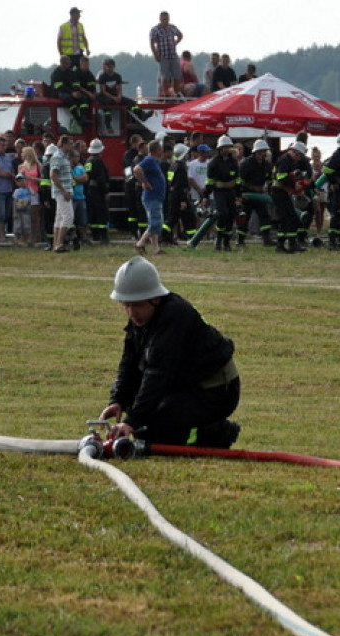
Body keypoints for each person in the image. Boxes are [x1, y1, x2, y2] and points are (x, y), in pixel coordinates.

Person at [100, 256, 241, 449]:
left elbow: (158, 373)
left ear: (155, 298)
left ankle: (216, 432)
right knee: (141, 423)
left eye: (137, 305)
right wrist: (118, 401)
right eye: (126, 305)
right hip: (187, 384)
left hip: (216, 391)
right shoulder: (144, 318)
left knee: (151, 430)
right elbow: (129, 362)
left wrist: (132, 421)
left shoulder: (174, 317)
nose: (131, 313)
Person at [133, 139, 166, 255]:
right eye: (161, 148)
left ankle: (156, 248)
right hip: (152, 196)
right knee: (156, 223)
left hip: (156, 196)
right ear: (157, 150)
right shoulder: (150, 160)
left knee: (155, 222)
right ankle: (140, 243)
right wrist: (145, 182)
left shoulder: (155, 161)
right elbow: (137, 169)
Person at [206, 136, 239, 251]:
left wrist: (239, 194)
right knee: (222, 214)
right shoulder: (214, 163)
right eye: (225, 147)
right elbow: (209, 181)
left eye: (228, 147)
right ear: (220, 148)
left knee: (231, 215)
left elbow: (237, 179)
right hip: (219, 191)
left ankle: (227, 242)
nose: (227, 149)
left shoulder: (233, 162)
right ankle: (218, 239)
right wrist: (205, 195)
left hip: (231, 192)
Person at [49, 135, 75, 252]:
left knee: (59, 218)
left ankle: (56, 244)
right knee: (68, 217)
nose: (71, 145)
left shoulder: (64, 157)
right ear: (63, 144)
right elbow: (53, 175)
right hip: (62, 191)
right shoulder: (57, 157)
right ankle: (59, 243)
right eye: (70, 143)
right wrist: (63, 191)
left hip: (65, 190)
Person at [150, 11, 184, 97]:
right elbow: (152, 43)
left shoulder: (172, 27)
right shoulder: (155, 30)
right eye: (164, 19)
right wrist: (155, 54)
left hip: (173, 55)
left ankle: (176, 93)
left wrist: (176, 42)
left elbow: (180, 35)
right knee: (165, 76)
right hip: (163, 55)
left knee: (177, 76)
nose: (166, 20)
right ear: (160, 19)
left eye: (167, 18)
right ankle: (166, 94)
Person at [12, 174, 32, 247]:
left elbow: (33, 194)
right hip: (18, 211)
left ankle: (26, 240)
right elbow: (14, 202)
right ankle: (17, 241)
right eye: (19, 181)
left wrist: (29, 186)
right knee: (17, 227)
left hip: (26, 211)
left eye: (22, 180)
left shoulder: (29, 190)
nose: (21, 182)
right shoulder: (16, 191)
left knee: (26, 226)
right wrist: (14, 212)